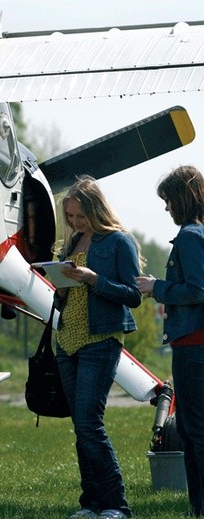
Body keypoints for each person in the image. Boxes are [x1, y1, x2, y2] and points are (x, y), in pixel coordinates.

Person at [54, 176, 142, 519]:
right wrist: (58, 287)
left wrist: (92, 278)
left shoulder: (119, 242)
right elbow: (66, 300)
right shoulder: (72, 242)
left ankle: (116, 505)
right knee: (81, 425)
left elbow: (133, 295)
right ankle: (91, 504)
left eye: (81, 216)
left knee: (91, 423)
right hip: (67, 341)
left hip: (100, 339)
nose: (76, 222)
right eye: (71, 217)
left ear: (96, 209)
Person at [136, 165, 204, 517]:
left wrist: (156, 288)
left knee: (195, 430)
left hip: (193, 347)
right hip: (194, 345)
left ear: (182, 198)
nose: (166, 209)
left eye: (168, 201)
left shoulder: (191, 236)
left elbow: (197, 289)